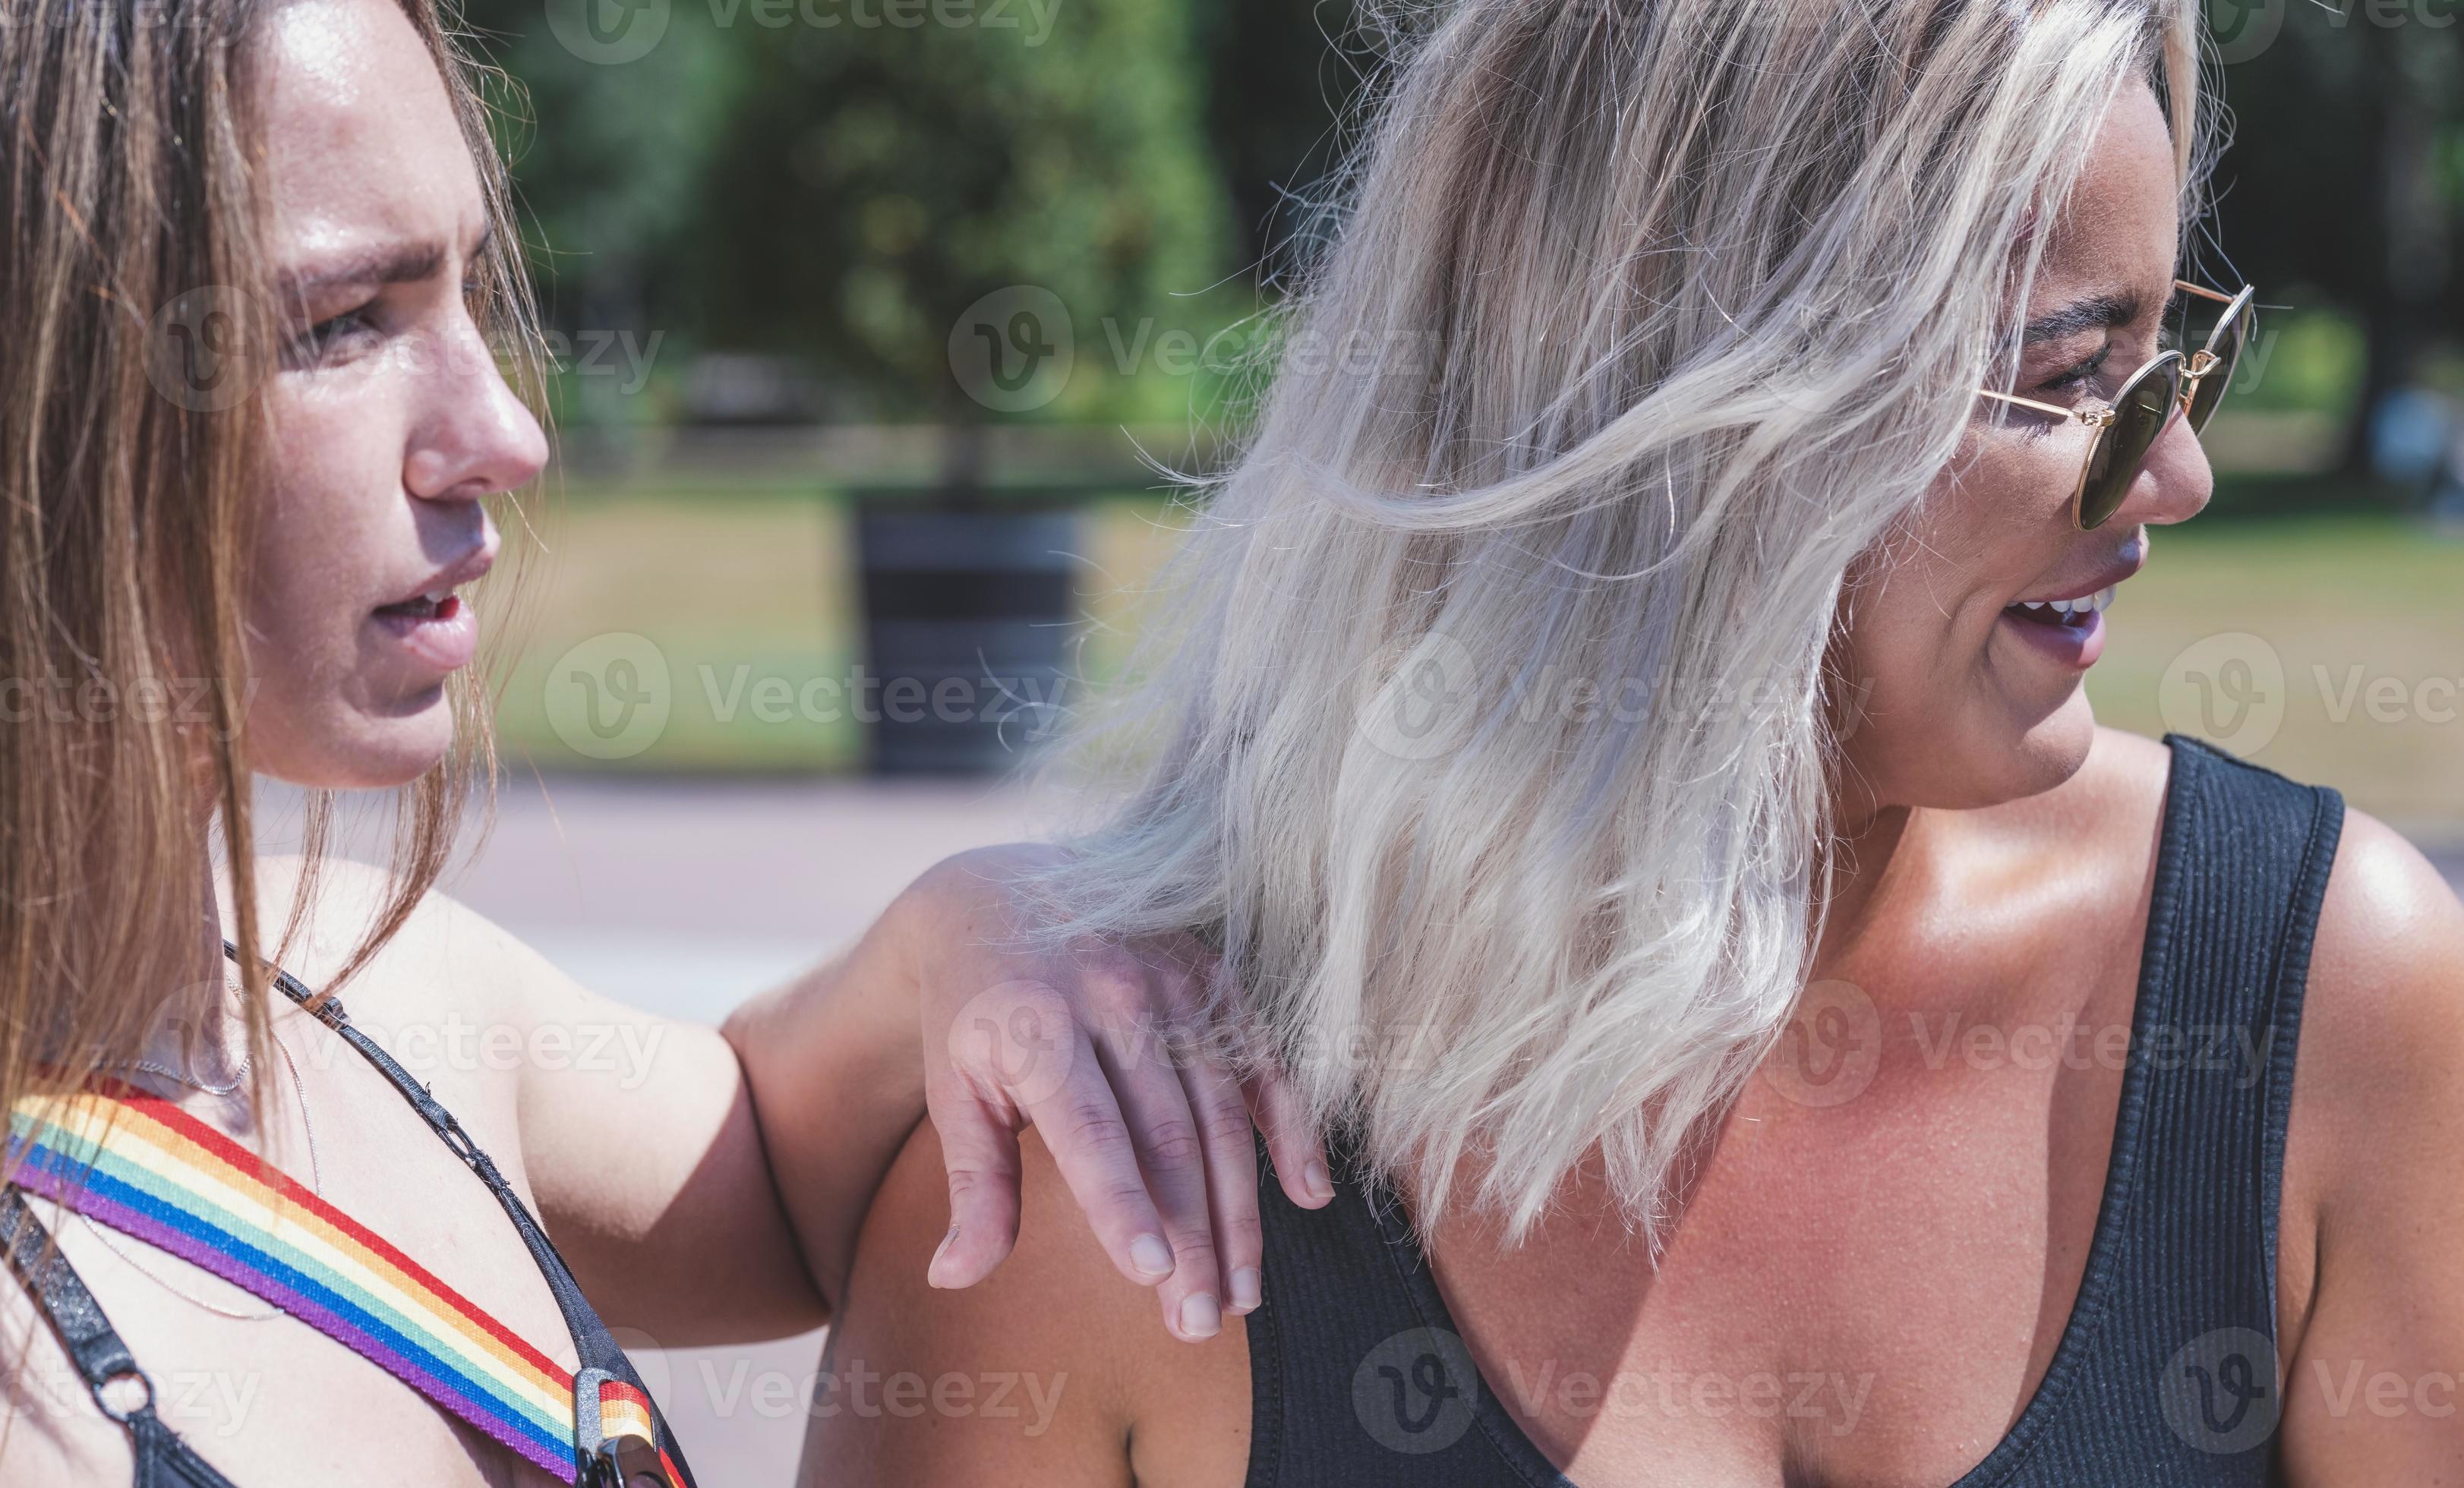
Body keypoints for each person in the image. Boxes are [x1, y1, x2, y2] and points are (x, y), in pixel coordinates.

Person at [812, 1, 2464, 1483]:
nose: (2177, 479)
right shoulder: (1116, 1165)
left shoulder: (2328, 995)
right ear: (1664, 420)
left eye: (2175, 352)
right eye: (2069, 376)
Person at [0, 0, 1326, 1481]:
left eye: (472, 297)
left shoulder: (360, 980)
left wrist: (981, 925)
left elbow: (768, 1175)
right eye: (341, 324)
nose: (506, 429)